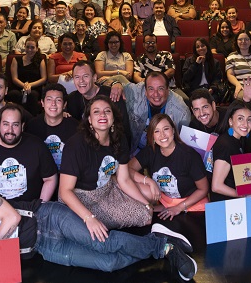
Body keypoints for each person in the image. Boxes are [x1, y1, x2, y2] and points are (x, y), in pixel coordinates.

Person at [0, 187, 197, 283]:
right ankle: (158, 241)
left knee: (106, 243)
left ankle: (162, 246)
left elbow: (12, 218)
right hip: (44, 247)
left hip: (47, 217)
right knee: (108, 264)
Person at [58, 96, 160, 233]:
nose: (102, 114)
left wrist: (147, 205)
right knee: (90, 228)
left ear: (113, 117)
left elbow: (124, 180)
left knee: (146, 213)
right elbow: (65, 191)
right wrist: (89, 218)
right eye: (96, 111)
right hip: (81, 197)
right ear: (89, 119)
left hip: (107, 189)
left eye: (107, 111)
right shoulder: (75, 145)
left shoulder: (119, 138)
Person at [0, 103, 58, 203]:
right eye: (6, 124)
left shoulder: (37, 145)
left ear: (22, 126)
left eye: (15, 125)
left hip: (30, 208)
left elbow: (50, 178)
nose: (10, 130)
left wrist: (41, 205)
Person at [129, 114, 209, 218]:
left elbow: (203, 189)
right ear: (152, 135)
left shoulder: (189, 155)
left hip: (192, 205)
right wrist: (148, 181)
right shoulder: (150, 151)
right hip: (165, 204)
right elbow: (127, 170)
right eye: (157, 131)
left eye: (166, 129)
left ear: (173, 130)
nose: (162, 135)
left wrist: (179, 207)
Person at [122, 71, 192, 152]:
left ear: (168, 90)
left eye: (160, 88)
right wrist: (116, 84)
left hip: (165, 153)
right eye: (151, 89)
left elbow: (183, 145)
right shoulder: (136, 91)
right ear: (145, 91)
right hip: (136, 149)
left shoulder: (181, 112)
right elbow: (117, 79)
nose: (156, 94)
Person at [26, 83, 80, 172]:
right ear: (42, 103)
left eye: (58, 100)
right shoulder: (32, 126)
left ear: (64, 104)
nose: (53, 104)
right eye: (49, 99)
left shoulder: (76, 127)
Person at [181, 37, 226, 101]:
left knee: (211, 100)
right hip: (194, 90)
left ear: (207, 47)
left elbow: (217, 78)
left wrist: (212, 88)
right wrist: (196, 64)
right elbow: (185, 78)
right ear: (195, 49)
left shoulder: (215, 62)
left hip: (210, 90)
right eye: (198, 47)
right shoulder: (189, 61)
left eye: (202, 46)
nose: (200, 48)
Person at [7, 36, 47, 105]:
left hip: (34, 88)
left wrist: (30, 85)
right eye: (27, 47)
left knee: (32, 95)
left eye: (32, 47)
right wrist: (24, 86)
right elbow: (14, 78)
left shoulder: (40, 61)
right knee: (14, 94)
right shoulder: (16, 60)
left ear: (37, 49)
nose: (29, 50)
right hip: (18, 87)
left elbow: (44, 78)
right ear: (24, 47)